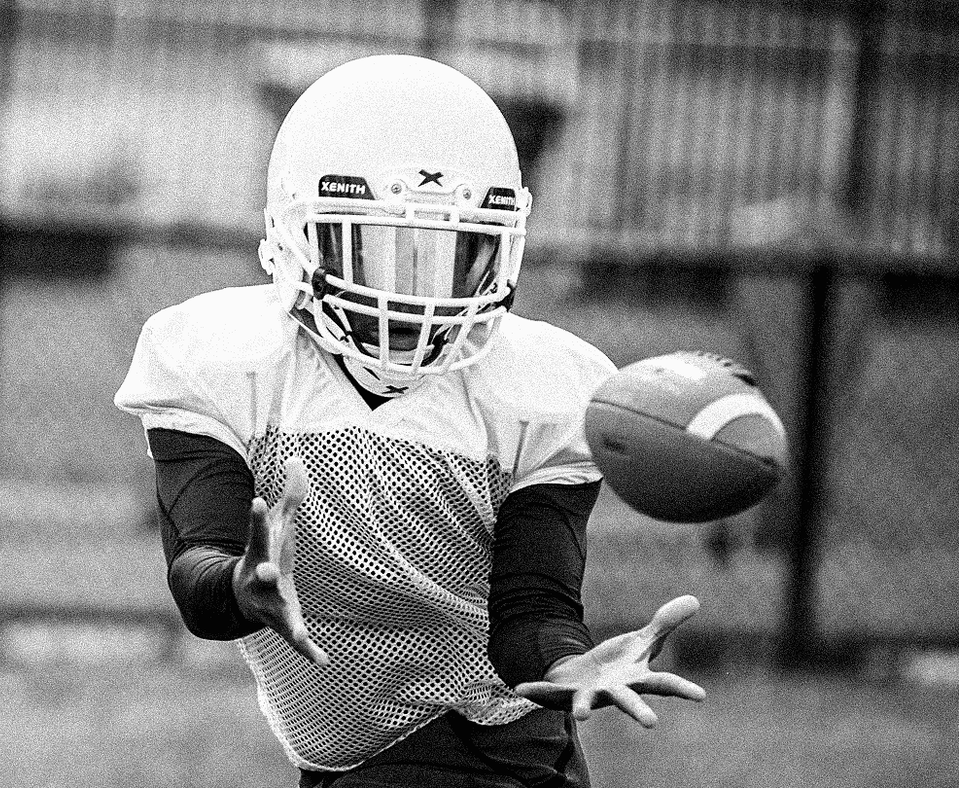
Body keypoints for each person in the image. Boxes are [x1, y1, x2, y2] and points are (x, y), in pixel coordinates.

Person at [115, 55, 704, 787]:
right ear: (298, 233)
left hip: (489, 744)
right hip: (343, 759)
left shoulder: (536, 390)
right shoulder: (226, 362)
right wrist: (242, 583)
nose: (417, 297)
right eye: (381, 250)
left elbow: (530, 612)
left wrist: (567, 657)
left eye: (453, 255)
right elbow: (196, 570)